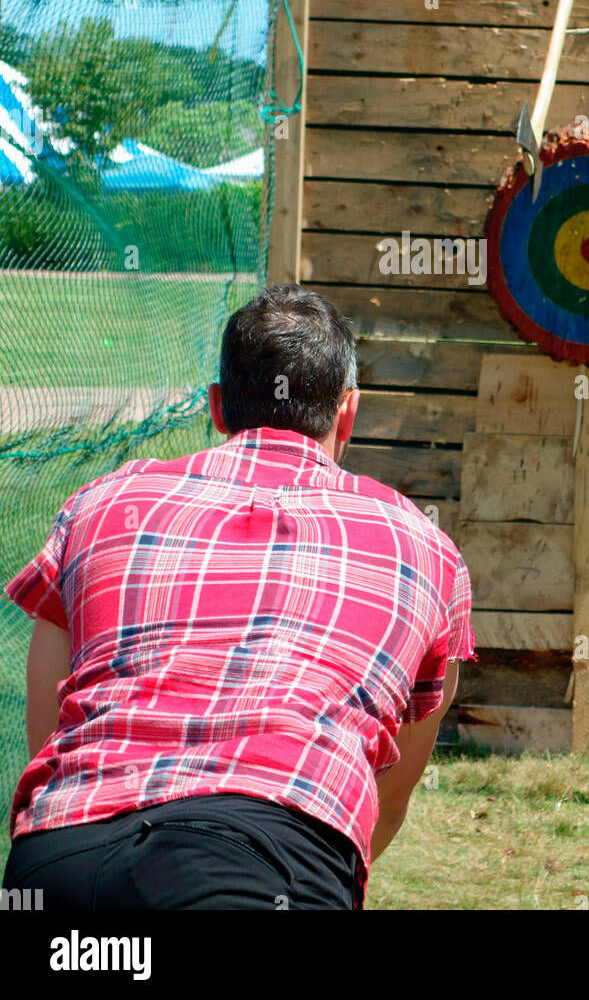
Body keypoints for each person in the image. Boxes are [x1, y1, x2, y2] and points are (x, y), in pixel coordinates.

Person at [2, 284, 475, 910]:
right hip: (266, 858)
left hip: (56, 859)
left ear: (218, 406)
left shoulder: (101, 504)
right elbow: (386, 801)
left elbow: (49, 732)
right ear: (348, 413)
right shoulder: (425, 547)